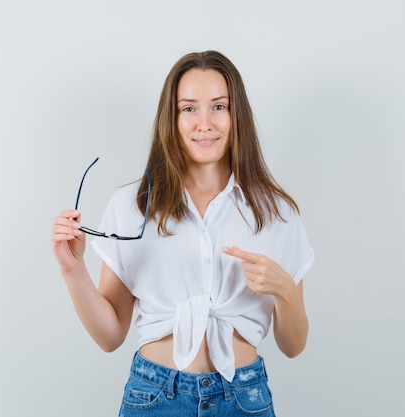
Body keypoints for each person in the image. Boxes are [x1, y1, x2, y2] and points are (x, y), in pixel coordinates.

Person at [52, 50, 314, 416]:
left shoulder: (276, 212)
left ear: (237, 115)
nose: (204, 123)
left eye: (218, 106)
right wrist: (73, 271)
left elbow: (293, 345)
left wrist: (284, 289)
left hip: (243, 400)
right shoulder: (132, 205)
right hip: (155, 398)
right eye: (188, 108)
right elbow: (110, 336)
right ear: (171, 118)